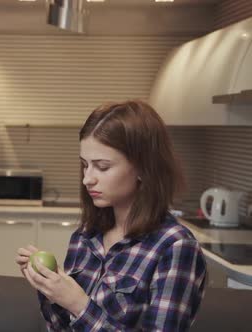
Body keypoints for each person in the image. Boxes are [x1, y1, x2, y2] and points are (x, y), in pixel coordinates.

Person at [16, 100, 207, 331]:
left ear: (143, 168)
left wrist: (78, 304)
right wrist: (49, 287)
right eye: (85, 165)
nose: (87, 178)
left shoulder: (175, 246)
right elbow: (60, 327)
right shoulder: (85, 237)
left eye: (102, 167)